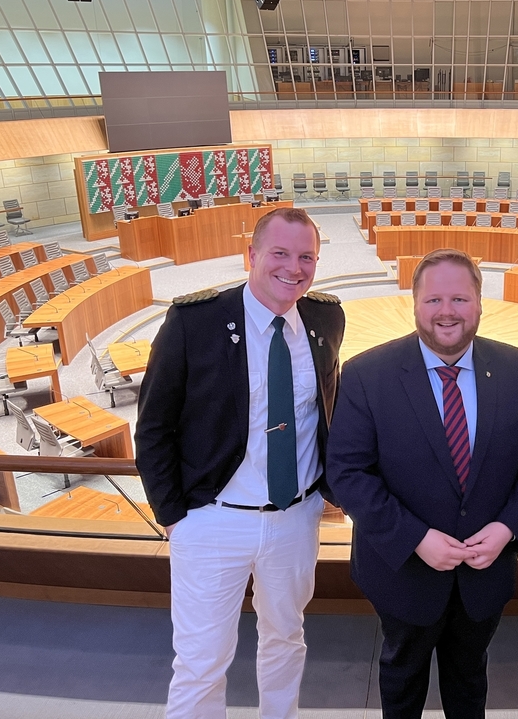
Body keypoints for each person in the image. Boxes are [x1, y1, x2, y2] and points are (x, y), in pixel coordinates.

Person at [326, 248, 518, 719]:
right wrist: (415, 539)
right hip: (402, 572)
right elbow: (347, 474)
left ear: (479, 303)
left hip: (485, 570)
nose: (447, 312)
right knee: (402, 676)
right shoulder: (367, 374)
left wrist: (507, 529)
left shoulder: (515, 368)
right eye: (433, 300)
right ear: (413, 304)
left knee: (470, 677)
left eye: (459, 298)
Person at [135, 206, 345, 719]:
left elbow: (326, 404)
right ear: (250, 254)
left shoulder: (324, 317)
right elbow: (154, 425)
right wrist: (175, 517)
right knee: (202, 661)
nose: (293, 269)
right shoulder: (195, 321)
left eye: (306, 257)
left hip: (296, 519)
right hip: (212, 520)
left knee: (286, 640)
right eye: (279, 254)